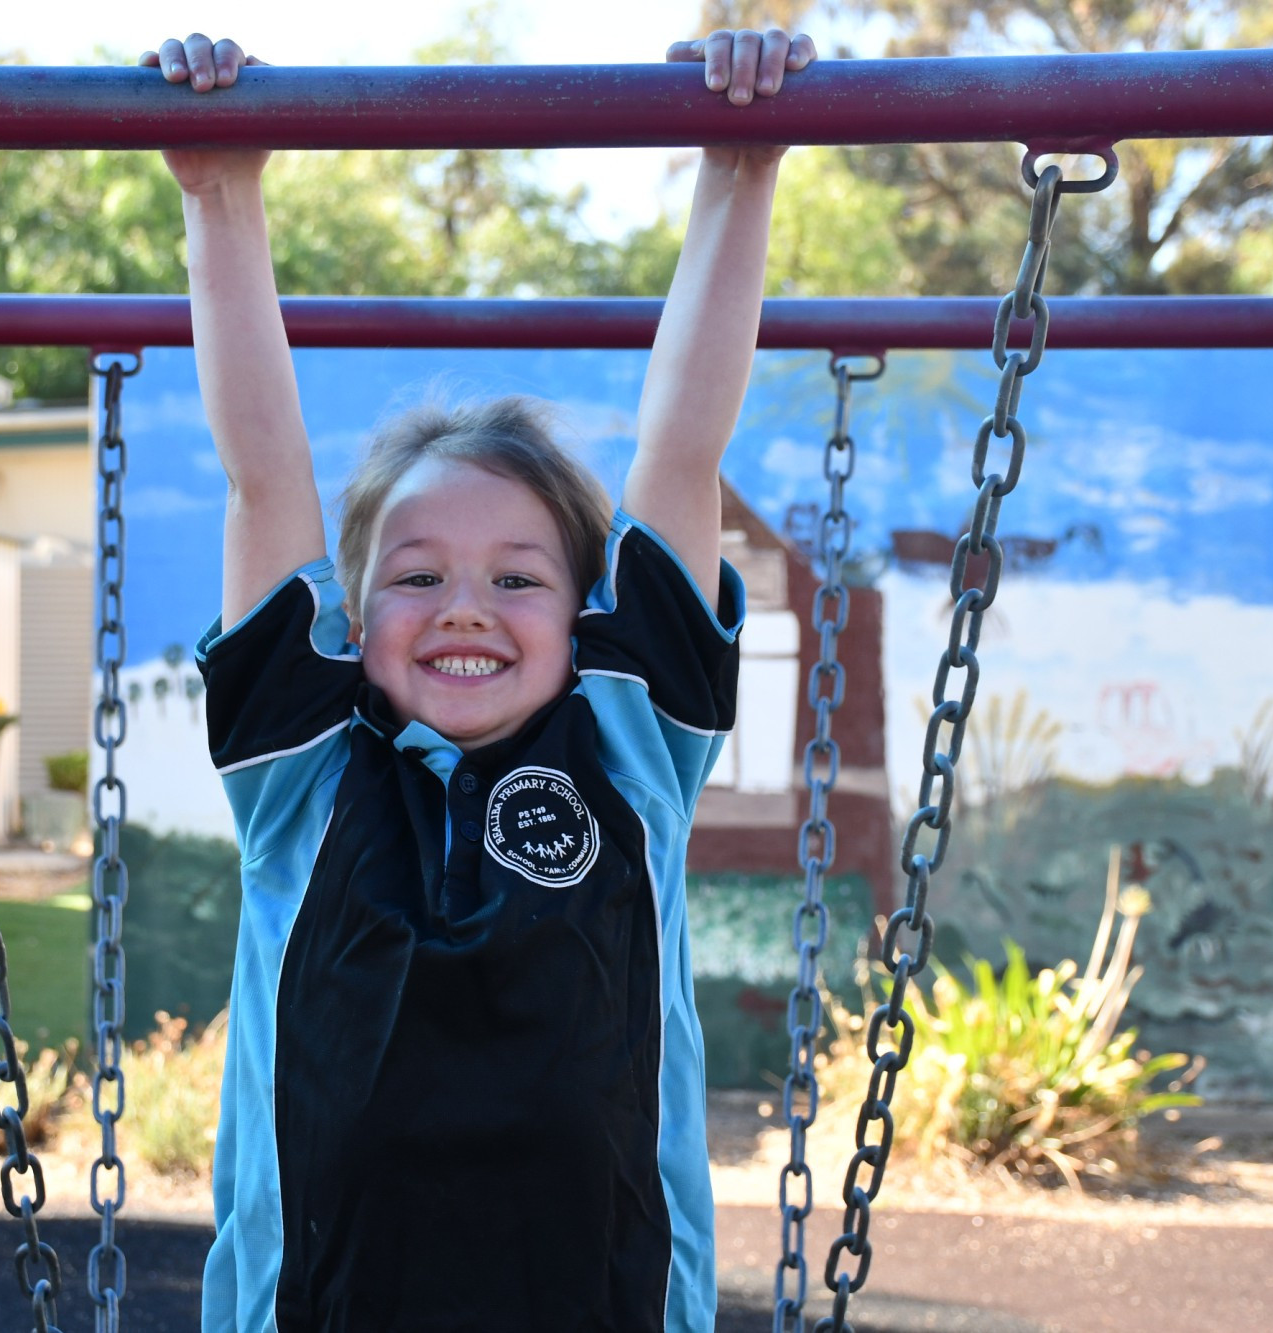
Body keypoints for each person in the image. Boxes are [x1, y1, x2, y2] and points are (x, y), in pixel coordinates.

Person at [146, 27, 817, 1332]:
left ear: (586, 619)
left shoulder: (627, 745)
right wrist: (221, 196)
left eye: (519, 578)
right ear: (353, 609)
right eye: (416, 576)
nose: (466, 608)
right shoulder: (306, 770)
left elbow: (683, 450)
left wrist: (740, 169)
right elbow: (264, 476)